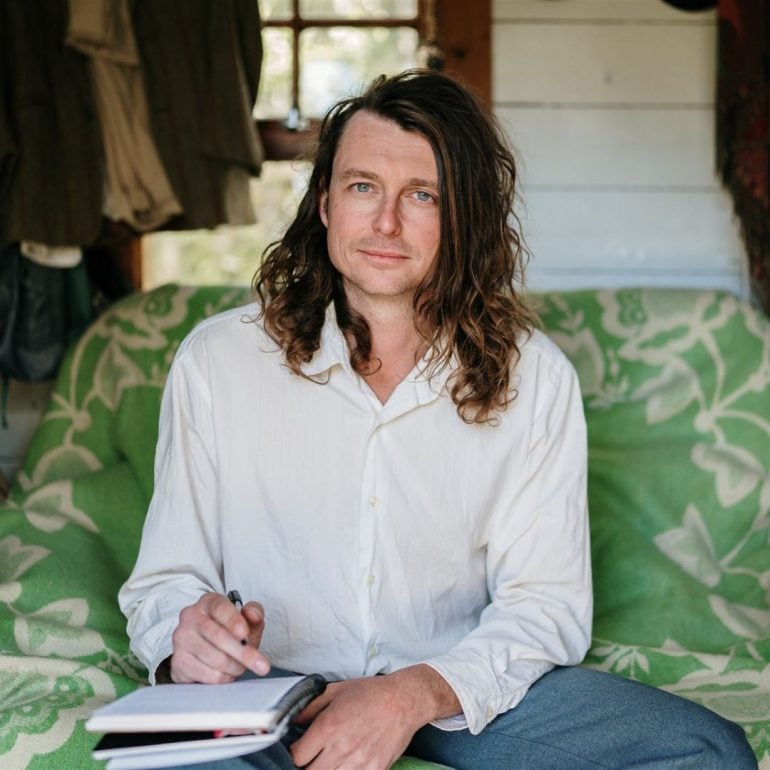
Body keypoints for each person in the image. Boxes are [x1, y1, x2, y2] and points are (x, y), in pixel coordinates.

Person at [119, 70, 757, 770]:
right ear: (326, 203)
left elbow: (545, 606)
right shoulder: (219, 360)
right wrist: (187, 632)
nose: (386, 222)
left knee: (708, 752)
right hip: (266, 691)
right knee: (167, 757)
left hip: (457, 692)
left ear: (464, 218)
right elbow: (165, 581)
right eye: (363, 186)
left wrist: (413, 693)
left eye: (421, 195)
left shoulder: (536, 379)